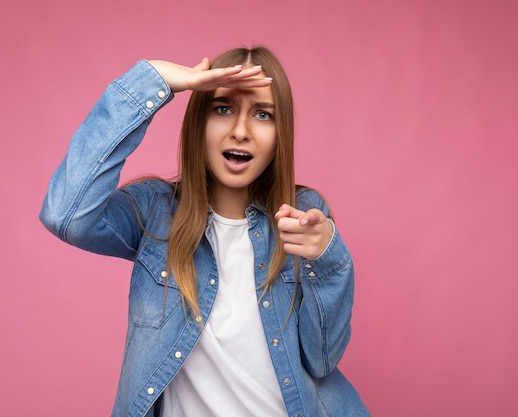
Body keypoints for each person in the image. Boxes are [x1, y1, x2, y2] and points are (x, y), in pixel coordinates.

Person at [40, 46, 369, 417]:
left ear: (281, 134)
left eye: (263, 115)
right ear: (200, 122)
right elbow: (66, 214)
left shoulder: (303, 215)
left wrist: (328, 260)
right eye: (223, 109)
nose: (241, 131)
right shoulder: (157, 212)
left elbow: (322, 359)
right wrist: (153, 81)